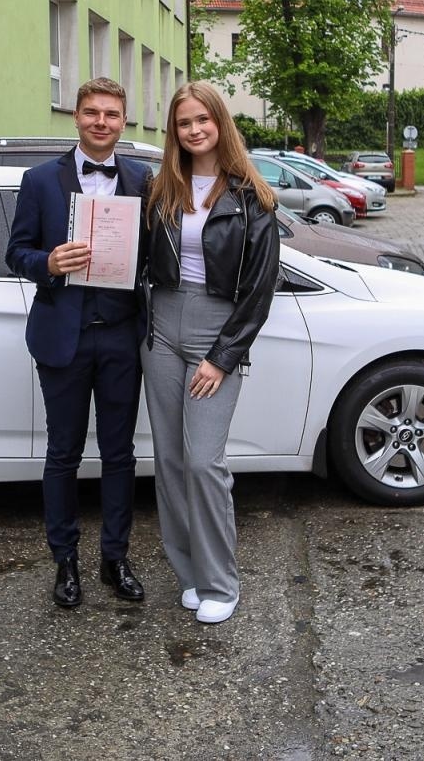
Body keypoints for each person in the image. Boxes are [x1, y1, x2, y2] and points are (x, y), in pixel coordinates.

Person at [6, 78, 153, 609]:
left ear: (123, 121)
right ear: (75, 116)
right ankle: (64, 562)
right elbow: (15, 251)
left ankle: (115, 558)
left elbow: (158, 256)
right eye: (92, 112)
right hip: (61, 338)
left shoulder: (142, 179)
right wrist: (46, 263)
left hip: (120, 337)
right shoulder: (40, 180)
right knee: (62, 454)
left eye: (112, 114)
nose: (101, 122)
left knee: (119, 455)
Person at [142, 81, 280, 625]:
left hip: (214, 330)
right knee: (171, 462)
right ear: (174, 132)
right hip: (161, 327)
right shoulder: (164, 189)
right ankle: (190, 574)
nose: (194, 129)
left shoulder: (252, 197)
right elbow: (139, 262)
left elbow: (259, 290)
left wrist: (222, 356)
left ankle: (221, 581)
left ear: (219, 121)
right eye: (183, 123)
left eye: (202, 119)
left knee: (204, 461)